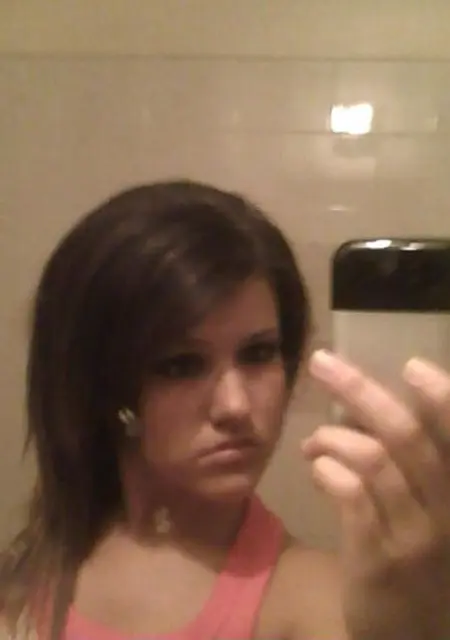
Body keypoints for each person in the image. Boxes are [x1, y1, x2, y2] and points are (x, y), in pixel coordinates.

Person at [0, 180, 449, 640]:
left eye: (259, 353)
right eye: (180, 365)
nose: (235, 406)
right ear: (97, 380)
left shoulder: (312, 601)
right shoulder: (32, 571)